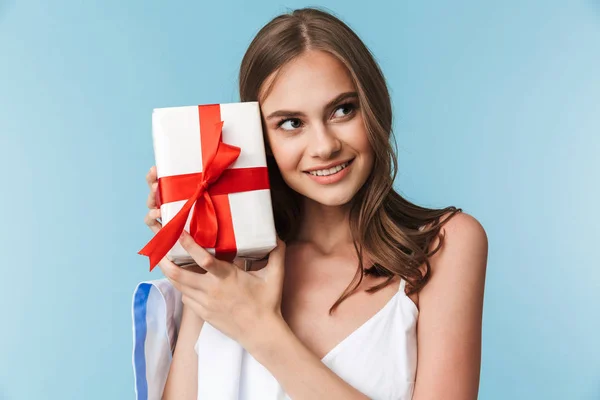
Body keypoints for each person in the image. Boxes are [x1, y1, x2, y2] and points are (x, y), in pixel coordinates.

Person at [142, 7, 488, 400]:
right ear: (261, 139)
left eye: (343, 110)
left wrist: (258, 328)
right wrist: (194, 248)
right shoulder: (232, 265)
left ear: (373, 107)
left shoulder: (444, 245)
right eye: (291, 123)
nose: (324, 146)